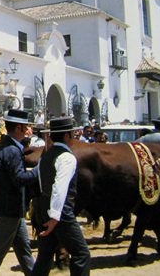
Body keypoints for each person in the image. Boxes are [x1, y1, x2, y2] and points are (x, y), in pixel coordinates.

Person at [0, 109, 39, 276]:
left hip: (12, 210)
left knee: (24, 251)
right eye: (27, 126)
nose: (29, 129)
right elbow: (20, 178)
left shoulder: (5, 146)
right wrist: (38, 171)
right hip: (9, 211)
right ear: (19, 127)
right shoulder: (12, 151)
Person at [32, 116, 90, 276]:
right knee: (81, 254)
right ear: (66, 136)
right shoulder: (66, 157)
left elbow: (43, 184)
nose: (74, 137)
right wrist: (55, 217)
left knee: (44, 257)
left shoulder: (45, 156)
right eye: (72, 134)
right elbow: (59, 188)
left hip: (44, 209)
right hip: (60, 214)